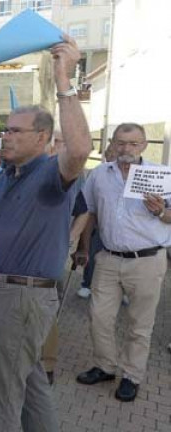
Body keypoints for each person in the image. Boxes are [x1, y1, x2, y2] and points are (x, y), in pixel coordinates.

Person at [0, 35, 91, 431]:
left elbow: (78, 151)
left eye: (17, 131)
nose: (6, 136)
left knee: (1, 386)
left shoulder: (48, 173)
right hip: (8, 291)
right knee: (32, 378)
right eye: (6, 130)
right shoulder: (4, 176)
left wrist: (64, 80)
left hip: (24, 296)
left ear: (42, 138)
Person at [74, 123, 171, 402]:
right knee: (98, 317)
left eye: (133, 143)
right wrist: (82, 249)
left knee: (140, 324)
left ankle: (131, 376)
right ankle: (105, 366)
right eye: (120, 143)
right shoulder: (99, 174)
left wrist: (161, 212)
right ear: (113, 144)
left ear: (143, 145)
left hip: (147, 260)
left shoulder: (160, 175)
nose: (126, 149)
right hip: (107, 257)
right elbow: (89, 212)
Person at [76, 142, 116, 298]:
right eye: (108, 152)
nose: (110, 155)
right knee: (92, 255)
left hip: (118, 227)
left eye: (113, 152)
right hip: (97, 224)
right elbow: (88, 202)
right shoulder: (96, 173)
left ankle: (122, 290)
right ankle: (87, 283)